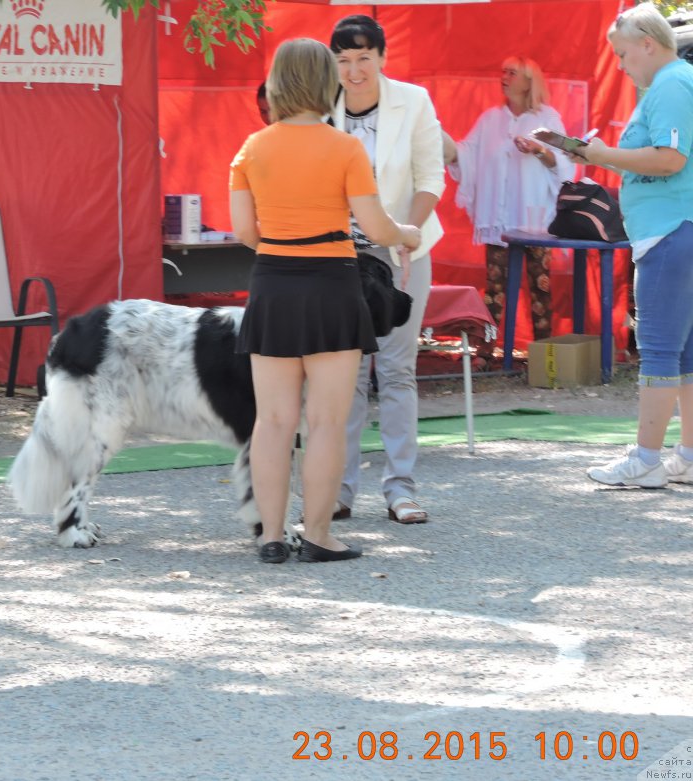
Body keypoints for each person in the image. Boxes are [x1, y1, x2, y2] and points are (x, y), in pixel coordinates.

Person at [229, 38, 422, 563]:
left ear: (275, 83)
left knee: (271, 421)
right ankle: (317, 534)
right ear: (326, 83)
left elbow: (245, 231)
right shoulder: (345, 149)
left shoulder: (250, 149)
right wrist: (408, 234)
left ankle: (271, 536)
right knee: (327, 421)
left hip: (272, 282)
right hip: (332, 285)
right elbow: (377, 225)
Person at [328, 15, 445, 525]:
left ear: (381, 57)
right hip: (335, 256)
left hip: (402, 251)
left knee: (397, 370)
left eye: (363, 58)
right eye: (344, 60)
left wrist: (405, 234)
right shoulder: (319, 102)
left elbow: (430, 178)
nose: (353, 71)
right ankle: (338, 489)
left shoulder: (414, 101)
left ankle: (401, 488)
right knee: (344, 374)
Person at [581, 5, 693, 488]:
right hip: (676, 227)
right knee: (684, 353)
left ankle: (646, 459)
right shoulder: (675, 80)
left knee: (660, 349)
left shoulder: (670, 83)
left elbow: (670, 158)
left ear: (648, 43)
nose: (622, 65)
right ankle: (685, 455)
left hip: (669, 230)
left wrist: (599, 154)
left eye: (623, 54)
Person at [442, 56, 575, 351]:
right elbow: (468, 152)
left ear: (529, 81)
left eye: (512, 73)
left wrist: (539, 150)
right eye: (503, 71)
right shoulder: (490, 119)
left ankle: (546, 356)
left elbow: (568, 160)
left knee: (540, 287)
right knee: (494, 290)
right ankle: (486, 354)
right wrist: (446, 147)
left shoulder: (546, 119)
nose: (504, 77)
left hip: (535, 219)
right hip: (499, 220)